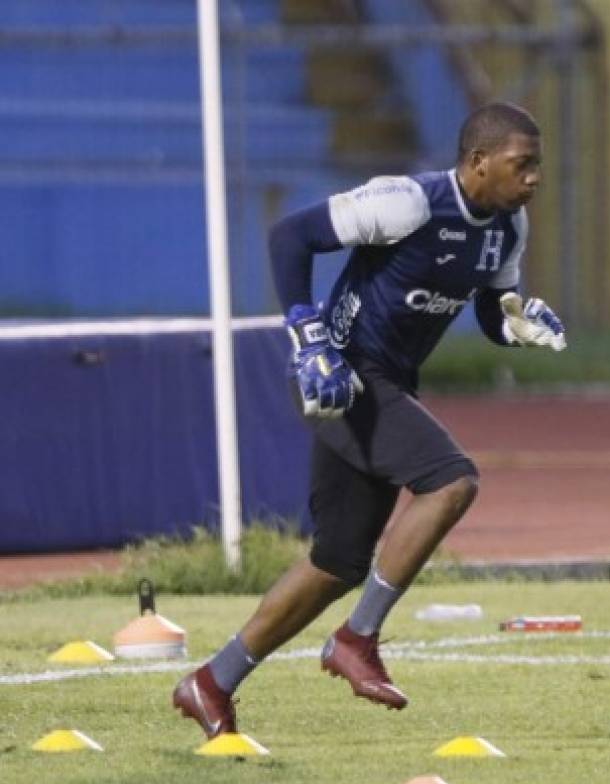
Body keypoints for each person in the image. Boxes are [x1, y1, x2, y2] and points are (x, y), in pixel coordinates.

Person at [171, 102, 566, 739]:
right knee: (451, 480)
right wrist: (307, 338)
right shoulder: (407, 203)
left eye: (538, 166)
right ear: (477, 162)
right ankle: (357, 638)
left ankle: (211, 681)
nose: (534, 179)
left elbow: (494, 311)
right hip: (341, 376)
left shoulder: (507, 228)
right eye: (523, 165)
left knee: (337, 563)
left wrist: (518, 324)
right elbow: (290, 237)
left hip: (386, 384)